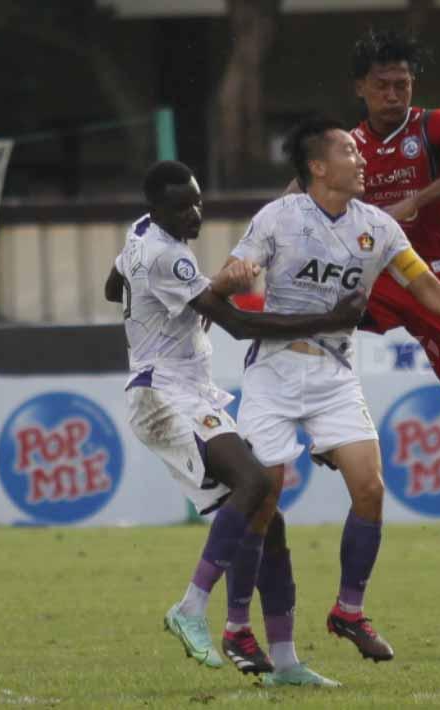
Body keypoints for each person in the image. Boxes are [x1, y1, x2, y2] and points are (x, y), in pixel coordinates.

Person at [230, 116, 440, 664]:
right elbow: (237, 270)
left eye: (360, 153)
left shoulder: (378, 227)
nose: (362, 161)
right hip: (275, 371)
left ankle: (349, 612)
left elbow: (426, 286)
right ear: (318, 166)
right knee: (262, 501)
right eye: (348, 153)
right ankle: (237, 625)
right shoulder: (278, 217)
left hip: (334, 374)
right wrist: (232, 278)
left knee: (371, 488)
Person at [104, 160, 361, 680]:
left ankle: (283, 660)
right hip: (163, 395)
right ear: (159, 210)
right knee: (253, 481)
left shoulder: (139, 235)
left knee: (271, 516)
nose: (194, 212)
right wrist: (330, 320)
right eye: (182, 207)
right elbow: (242, 326)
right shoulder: (166, 255)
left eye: (197, 200)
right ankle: (192, 607)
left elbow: (114, 288)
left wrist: (185, 298)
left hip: (188, 393)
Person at [346, 29, 440, 576]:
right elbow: (304, 192)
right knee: (316, 322)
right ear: (361, 88)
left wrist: (418, 199)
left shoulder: (437, 126)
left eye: (403, 84)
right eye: (383, 85)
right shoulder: (347, 145)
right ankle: (314, 428)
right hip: (377, 279)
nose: (394, 94)